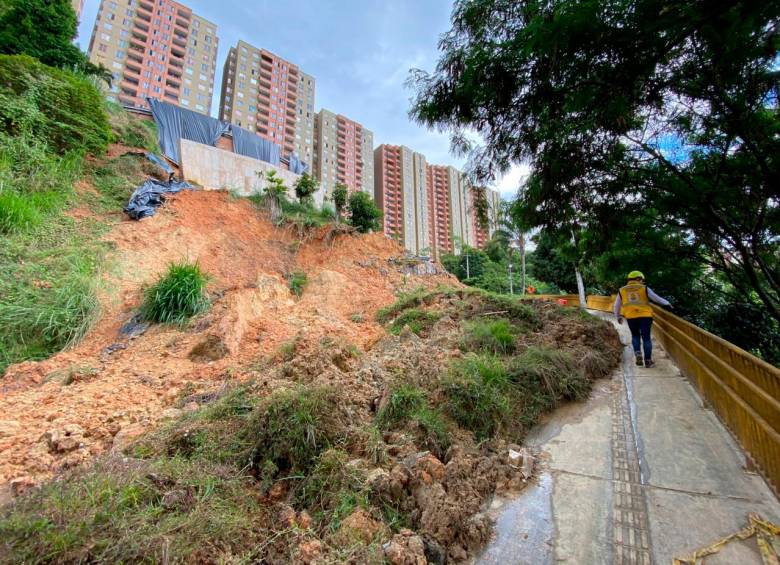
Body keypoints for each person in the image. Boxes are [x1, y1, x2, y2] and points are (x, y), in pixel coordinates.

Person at [613, 271, 672, 368]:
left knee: (635, 336)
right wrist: (667, 303)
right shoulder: (644, 288)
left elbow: (616, 305)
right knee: (646, 338)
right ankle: (648, 361)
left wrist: (618, 316)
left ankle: (638, 353)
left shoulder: (622, 290)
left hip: (631, 316)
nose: (642, 282)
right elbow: (656, 298)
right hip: (645, 316)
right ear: (637, 278)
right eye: (641, 280)